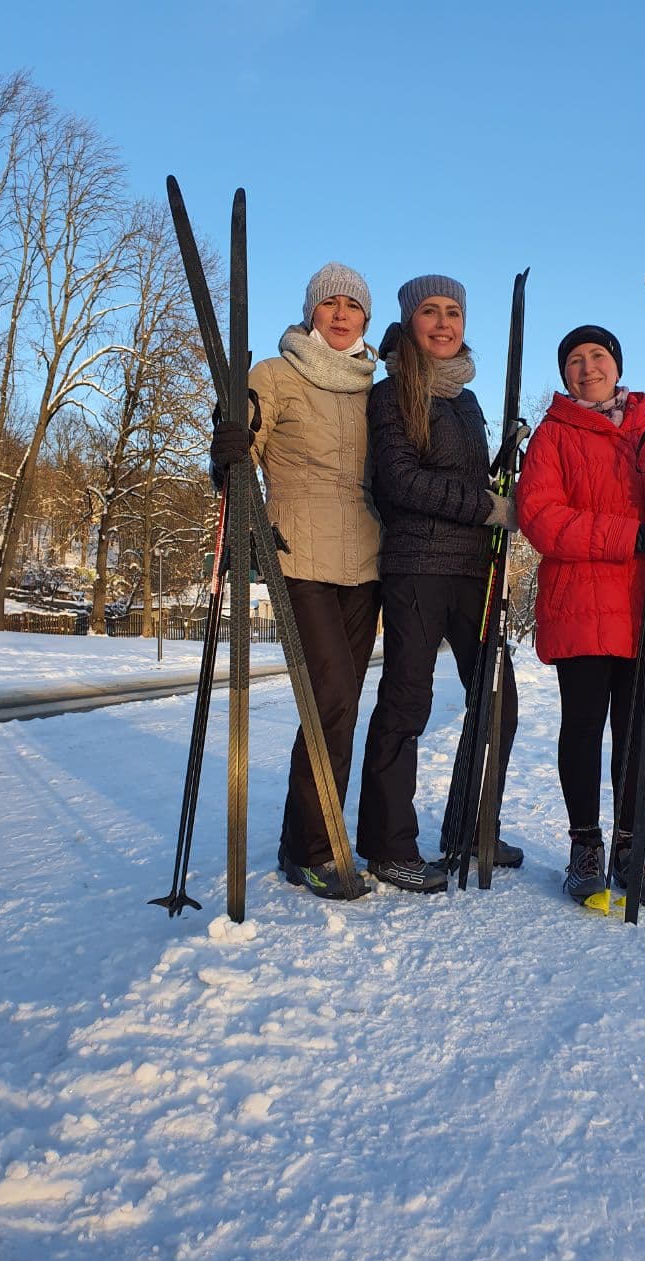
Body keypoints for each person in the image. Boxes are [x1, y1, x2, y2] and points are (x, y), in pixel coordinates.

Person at [515, 323, 645, 908]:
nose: (587, 367)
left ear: (617, 367)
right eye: (574, 360)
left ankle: (631, 847)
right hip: (581, 604)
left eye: (597, 355)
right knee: (582, 729)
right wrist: (634, 535)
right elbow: (541, 519)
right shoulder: (552, 435)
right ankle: (585, 847)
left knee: (636, 734)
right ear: (565, 375)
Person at [210, 263, 381, 900]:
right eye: (329, 303)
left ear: (365, 319)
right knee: (328, 699)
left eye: (352, 306)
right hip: (299, 557)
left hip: (366, 566)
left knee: (342, 709)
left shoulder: (375, 391)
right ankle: (316, 850)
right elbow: (240, 452)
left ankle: (302, 839)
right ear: (311, 312)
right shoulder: (274, 375)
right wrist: (227, 448)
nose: (340, 314)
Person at [355, 275, 521, 893]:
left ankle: (471, 826)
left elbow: (469, 478)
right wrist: (487, 506)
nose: (444, 322)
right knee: (406, 705)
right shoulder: (391, 393)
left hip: (475, 571)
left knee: (498, 702)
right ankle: (388, 845)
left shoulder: (467, 400)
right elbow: (400, 482)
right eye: (431, 311)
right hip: (418, 567)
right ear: (410, 322)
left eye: (454, 311)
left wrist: (504, 475)